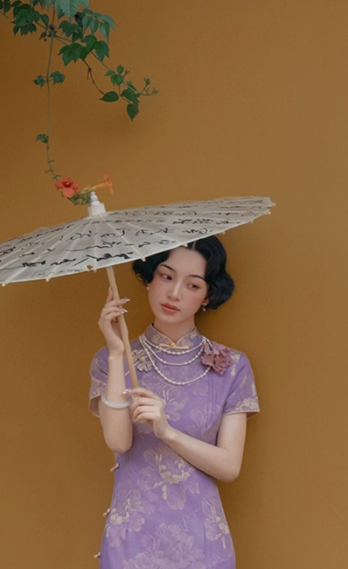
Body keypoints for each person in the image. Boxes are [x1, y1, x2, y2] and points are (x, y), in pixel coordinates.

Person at [91, 236, 259, 569]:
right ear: (150, 278)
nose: (174, 293)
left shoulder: (233, 366)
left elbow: (229, 467)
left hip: (203, 545)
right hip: (131, 544)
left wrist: (167, 432)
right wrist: (115, 353)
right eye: (166, 276)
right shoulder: (111, 360)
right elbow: (119, 442)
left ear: (207, 296)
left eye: (192, 285)